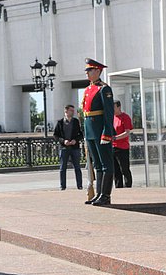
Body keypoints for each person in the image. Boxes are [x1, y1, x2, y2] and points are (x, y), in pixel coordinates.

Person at [82, 58, 115, 206]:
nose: (87, 73)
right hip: (90, 130)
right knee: (97, 164)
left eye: (90, 71)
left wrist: (107, 133)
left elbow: (108, 113)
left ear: (98, 71)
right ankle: (99, 193)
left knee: (106, 163)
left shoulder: (104, 89)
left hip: (100, 130)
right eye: (87, 71)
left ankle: (106, 195)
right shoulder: (88, 89)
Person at [53, 105, 84, 191]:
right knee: (63, 168)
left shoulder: (76, 122)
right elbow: (55, 135)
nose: (73, 112)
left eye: (73, 110)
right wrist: (63, 141)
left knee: (77, 167)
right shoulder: (60, 122)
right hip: (64, 148)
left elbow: (81, 134)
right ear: (66, 111)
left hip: (75, 147)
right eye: (71, 110)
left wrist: (75, 140)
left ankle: (80, 185)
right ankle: (63, 186)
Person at [113, 100, 133, 188]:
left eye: (113, 107)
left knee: (124, 169)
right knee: (116, 170)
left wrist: (116, 138)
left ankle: (128, 186)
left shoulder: (125, 117)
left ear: (119, 107)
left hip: (122, 147)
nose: (112, 109)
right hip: (113, 147)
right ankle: (118, 187)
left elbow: (127, 132)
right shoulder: (112, 118)